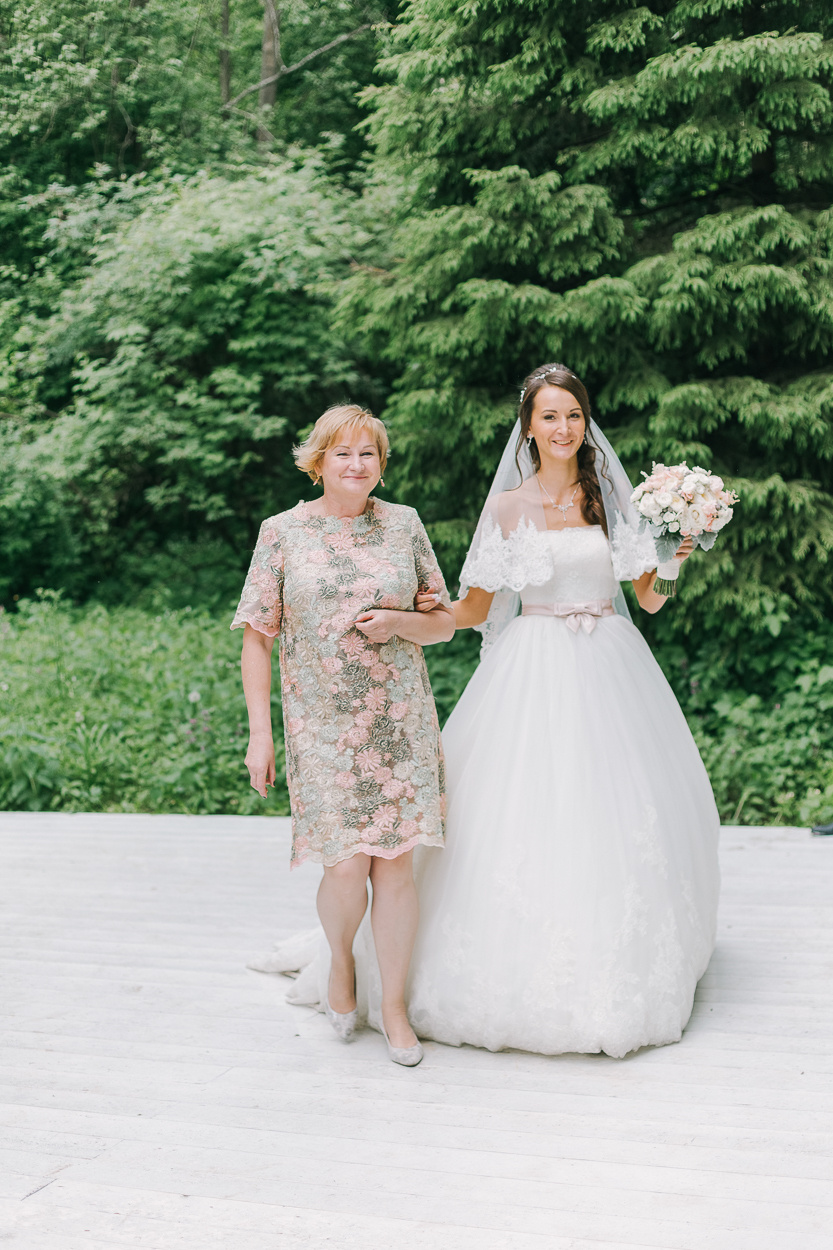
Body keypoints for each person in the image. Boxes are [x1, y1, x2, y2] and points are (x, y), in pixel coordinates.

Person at [257, 366, 721, 1060]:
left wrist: (675, 554)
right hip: (532, 662)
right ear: (527, 427)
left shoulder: (613, 504)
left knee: (612, 812)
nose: (562, 428)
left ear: (584, 424)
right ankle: (368, 971)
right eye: (548, 416)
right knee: (515, 808)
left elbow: (648, 599)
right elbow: (470, 611)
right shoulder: (506, 508)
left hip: (609, 664)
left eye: (572, 415)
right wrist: (399, 621)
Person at [232, 403, 454, 1066]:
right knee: (345, 864)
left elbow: (442, 623)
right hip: (320, 724)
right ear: (318, 461)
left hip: (398, 719)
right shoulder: (283, 533)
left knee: (395, 867)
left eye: (368, 454)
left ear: (380, 465)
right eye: (343, 453)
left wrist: (398, 624)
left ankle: (393, 1006)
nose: (356, 465)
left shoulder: (403, 526)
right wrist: (259, 734)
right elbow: (256, 636)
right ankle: (338, 961)